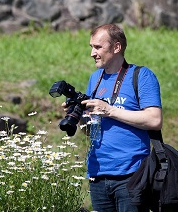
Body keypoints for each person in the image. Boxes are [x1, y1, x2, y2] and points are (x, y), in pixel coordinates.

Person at [62, 24, 162, 212]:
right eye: (91, 47)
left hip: (131, 175)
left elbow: (155, 120)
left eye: (98, 47)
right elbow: (91, 131)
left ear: (116, 47)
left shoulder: (141, 76)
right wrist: (78, 117)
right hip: (97, 175)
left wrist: (109, 110)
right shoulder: (95, 78)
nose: (92, 53)